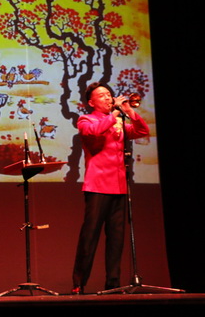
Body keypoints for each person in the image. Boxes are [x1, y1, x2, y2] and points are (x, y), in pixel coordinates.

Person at [71, 82, 149, 295]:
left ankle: (113, 284)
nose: (108, 98)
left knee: (116, 239)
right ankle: (79, 283)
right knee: (90, 236)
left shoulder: (119, 121)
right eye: (102, 95)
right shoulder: (86, 119)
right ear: (91, 102)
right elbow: (94, 132)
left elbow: (142, 130)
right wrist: (114, 114)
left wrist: (129, 111)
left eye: (109, 94)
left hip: (119, 185)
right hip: (97, 185)